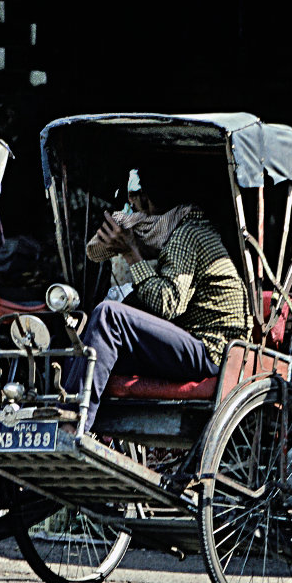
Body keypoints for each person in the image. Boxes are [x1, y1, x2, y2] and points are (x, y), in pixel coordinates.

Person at [65, 165, 249, 431]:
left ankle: (73, 424)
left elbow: (168, 303)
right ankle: (64, 414)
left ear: (149, 202)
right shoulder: (181, 232)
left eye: (137, 198)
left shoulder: (187, 233)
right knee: (86, 338)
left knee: (108, 316)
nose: (132, 206)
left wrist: (131, 254)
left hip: (211, 350)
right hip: (189, 341)